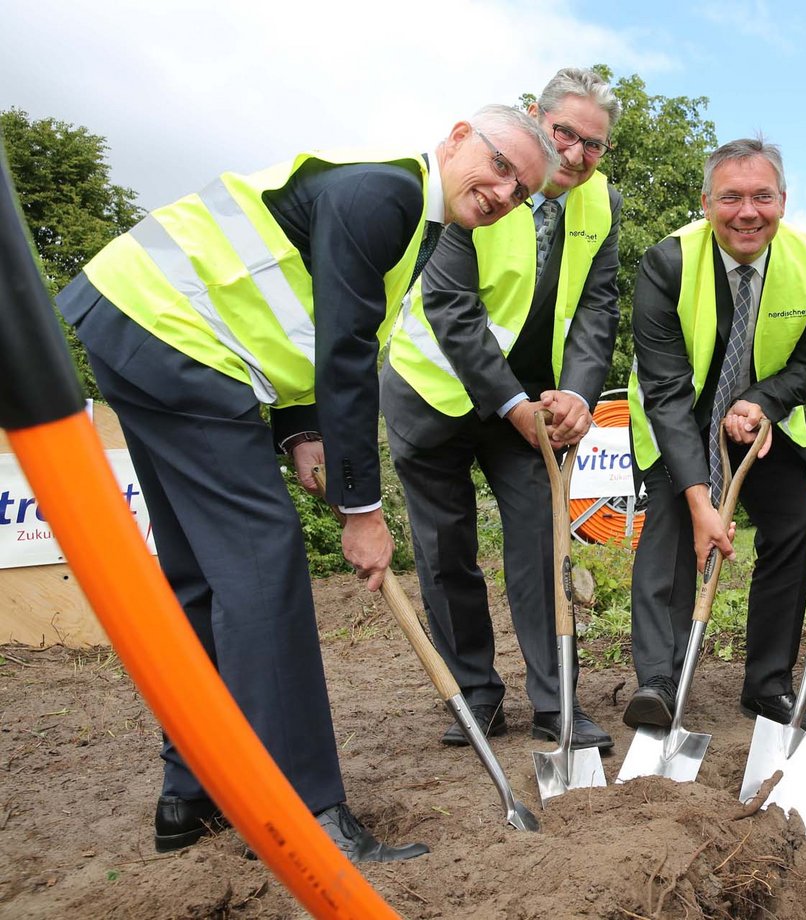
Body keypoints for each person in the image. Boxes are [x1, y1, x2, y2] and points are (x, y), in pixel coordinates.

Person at [55, 106, 557, 861]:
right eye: (500, 166)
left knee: (201, 577)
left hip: (134, 324)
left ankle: (189, 794)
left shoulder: (414, 220)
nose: (504, 193)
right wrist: (362, 509)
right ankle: (304, 814)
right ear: (457, 138)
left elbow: (299, 318)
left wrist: (299, 431)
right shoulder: (384, 196)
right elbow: (346, 353)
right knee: (262, 565)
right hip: (177, 336)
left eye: (523, 191)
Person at [382, 68, 621, 754]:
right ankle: (476, 700)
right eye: (563, 134)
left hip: (530, 405)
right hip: (433, 389)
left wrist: (575, 393)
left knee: (542, 543)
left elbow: (597, 306)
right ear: (535, 120)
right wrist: (512, 403)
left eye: (593, 144)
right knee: (445, 550)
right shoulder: (480, 182)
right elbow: (451, 308)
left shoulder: (600, 203)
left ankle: (557, 703)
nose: (575, 155)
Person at [623, 137, 806, 733]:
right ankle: (660, 682)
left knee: (793, 528)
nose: (748, 212)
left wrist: (760, 402)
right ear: (706, 202)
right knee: (670, 531)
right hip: (679, 417)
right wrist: (699, 502)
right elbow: (664, 390)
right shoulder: (666, 263)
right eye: (731, 198)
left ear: (784, 201)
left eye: (762, 197)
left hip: (762, 418)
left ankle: (768, 685)